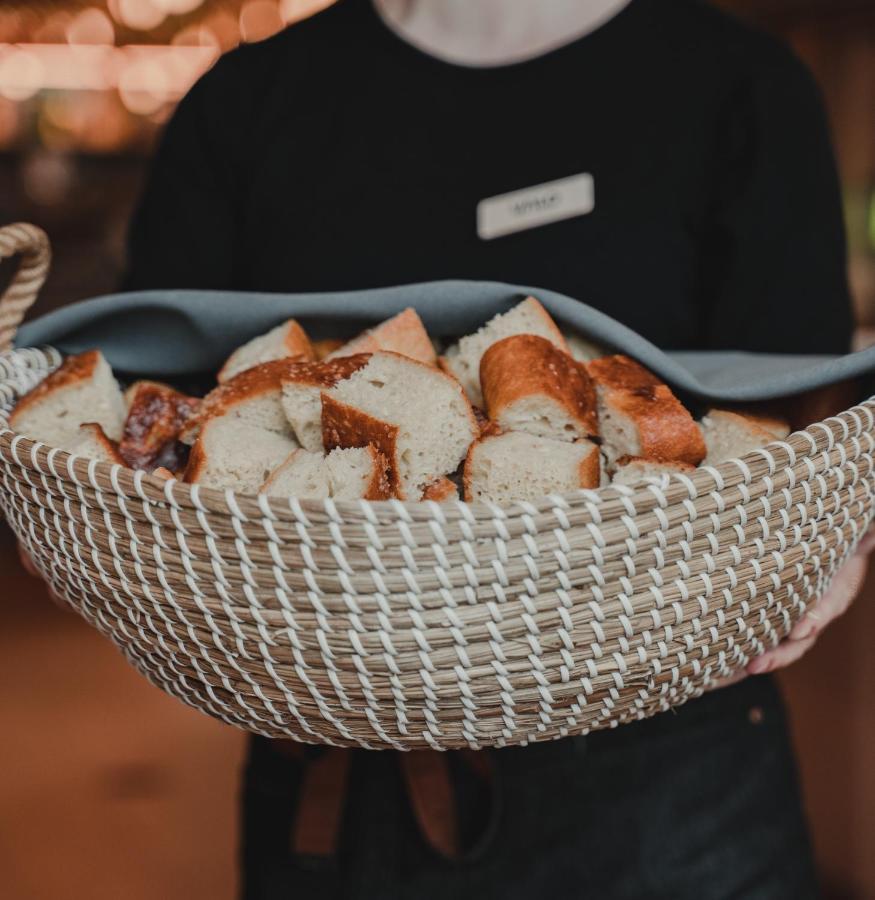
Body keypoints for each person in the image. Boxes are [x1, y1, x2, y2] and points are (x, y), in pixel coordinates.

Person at [122, 1, 868, 897]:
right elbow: (155, 416)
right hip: (339, 770)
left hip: (671, 775)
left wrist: (837, 541)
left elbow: (809, 410)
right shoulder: (245, 99)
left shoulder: (738, 84)